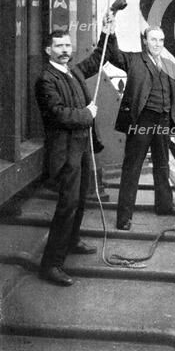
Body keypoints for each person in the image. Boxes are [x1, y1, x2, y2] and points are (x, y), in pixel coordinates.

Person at [35, 17, 111, 286]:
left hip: (81, 147)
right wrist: (87, 114)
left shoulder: (73, 71)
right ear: (49, 50)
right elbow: (58, 115)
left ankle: (72, 240)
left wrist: (105, 30)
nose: (65, 49)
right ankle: (51, 265)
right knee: (67, 205)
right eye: (59, 46)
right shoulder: (46, 80)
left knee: (80, 199)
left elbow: (96, 60)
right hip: (64, 151)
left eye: (68, 45)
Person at [107, 24, 175, 230]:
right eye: (153, 40)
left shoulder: (168, 64)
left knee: (163, 164)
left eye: (161, 40)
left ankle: (164, 205)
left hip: (162, 120)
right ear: (145, 41)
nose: (157, 44)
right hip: (141, 121)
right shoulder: (135, 59)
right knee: (133, 167)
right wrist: (111, 33)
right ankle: (124, 217)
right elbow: (114, 54)